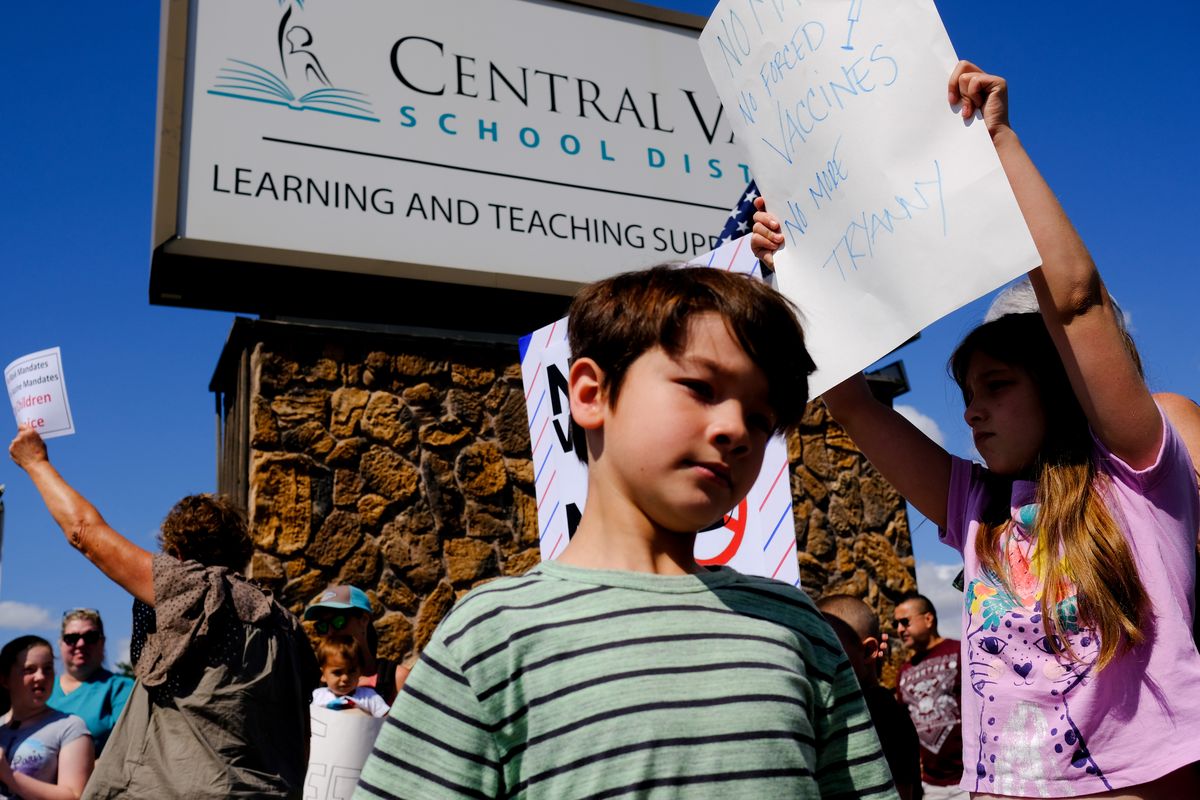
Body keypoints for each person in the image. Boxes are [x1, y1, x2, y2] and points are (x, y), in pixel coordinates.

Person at [752, 61, 1200, 797]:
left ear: (1058, 389)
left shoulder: (1135, 472)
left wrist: (999, 144)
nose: (972, 409)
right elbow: (854, 404)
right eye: (966, 391)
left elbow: (1079, 302)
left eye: (998, 386)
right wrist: (791, 270)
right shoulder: (975, 508)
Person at [354, 265, 898, 798]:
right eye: (700, 387)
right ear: (590, 394)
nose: (735, 429)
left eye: (760, 418)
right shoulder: (492, 636)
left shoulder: (798, 628)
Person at [8, 431, 319, 799]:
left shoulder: (195, 590)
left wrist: (36, 463)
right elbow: (302, 738)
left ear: (177, 554)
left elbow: (84, 532)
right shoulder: (287, 627)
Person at [820, 595, 923, 800]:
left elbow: (901, 792)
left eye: (830, 649)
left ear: (868, 650)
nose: (819, 659)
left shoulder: (883, 713)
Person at [0, 635, 94, 800]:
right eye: (29, 670)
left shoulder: (70, 727)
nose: (41, 676)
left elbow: (74, 796)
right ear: (5, 679)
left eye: (48, 668)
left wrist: (8, 775)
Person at [891, 594, 964, 799]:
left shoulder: (960, 652)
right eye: (896, 624)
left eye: (905, 622)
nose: (899, 630)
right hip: (931, 786)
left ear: (928, 619)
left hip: (970, 778)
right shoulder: (904, 671)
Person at [47, 610, 132, 758]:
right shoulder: (42, 688)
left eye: (90, 637)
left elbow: (130, 745)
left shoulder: (120, 688)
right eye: (71, 638)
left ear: (102, 642)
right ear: (61, 643)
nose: (81, 644)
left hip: (97, 778)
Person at [304, 586, 409, 706]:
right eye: (322, 626)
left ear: (363, 620)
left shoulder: (396, 679)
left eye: (338, 621)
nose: (330, 631)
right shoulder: (318, 685)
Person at [311, 636, 389, 718]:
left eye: (351, 671)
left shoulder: (369, 697)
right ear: (323, 674)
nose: (345, 678)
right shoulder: (317, 696)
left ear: (360, 672)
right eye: (337, 672)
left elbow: (387, 720)